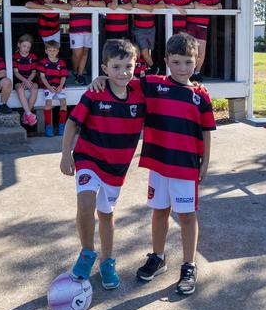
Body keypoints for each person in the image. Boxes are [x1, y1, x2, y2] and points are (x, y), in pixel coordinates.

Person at [90, 33, 216, 295]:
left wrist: (205, 162)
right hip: (159, 166)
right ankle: (158, 257)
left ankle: (189, 265)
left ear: (196, 61)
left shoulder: (201, 96)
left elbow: (206, 131)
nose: (182, 68)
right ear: (167, 60)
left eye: (188, 62)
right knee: (159, 212)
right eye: (177, 62)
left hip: (185, 167)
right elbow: (121, 80)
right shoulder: (152, 85)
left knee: (187, 216)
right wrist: (101, 78)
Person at [60, 39, 145, 289]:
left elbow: (167, 86)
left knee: (106, 215)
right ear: (105, 68)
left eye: (128, 66)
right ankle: (87, 253)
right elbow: (72, 124)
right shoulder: (95, 92)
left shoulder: (140, 94)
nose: (123, 72)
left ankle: (107, 262)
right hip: (88, 158)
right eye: (116, 67)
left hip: (116, 168)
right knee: (85, 203)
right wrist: (66, 155)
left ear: (136, 66)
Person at [68, 0, 105, 85]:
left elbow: (103, 4)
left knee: (85, 52)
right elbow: (72, 3)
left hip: (90, 29)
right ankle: (74, 71)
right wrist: (91, 4)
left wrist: (87, 2)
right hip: (76, 29)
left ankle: (79, 75)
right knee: (77, 54)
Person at [187, 0, 222, 82]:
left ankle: (196, 73)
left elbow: (220, 5)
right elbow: (196, 6)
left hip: (203, 27)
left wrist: (205, 6)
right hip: (192, 26)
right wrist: (211, 7)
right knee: (191, 51)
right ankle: (189, 73)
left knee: (202, 52)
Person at [131, 0, 164, 74]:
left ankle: (145, 70)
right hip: (139, 29)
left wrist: (152, 6)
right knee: (144, 52)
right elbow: (133, 3)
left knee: (148, 51)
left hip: (151, 28)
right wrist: (147, 7)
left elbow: (163, 4)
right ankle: (155, 68)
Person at [38, 40, 68, 137]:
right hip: (48, 86)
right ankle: (48, 126)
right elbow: (42, 77)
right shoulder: (43, 62)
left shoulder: (61, 63)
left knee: (63, 103)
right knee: (48, 103)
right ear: (46, 51)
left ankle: (62, 126)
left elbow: (63, 76)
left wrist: (60, 86)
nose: (52, 52)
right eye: (49, 50)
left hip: (59, 86)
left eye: (54, 50)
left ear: (58, 51)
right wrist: (49, 87)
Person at [12, 34, 39, 126]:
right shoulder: (15, 56)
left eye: (28, 47)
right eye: (24, 46)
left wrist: (28, 80)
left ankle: (26, 114)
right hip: (19, 79)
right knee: (19, 89)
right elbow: (16, 72)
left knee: (34, 89)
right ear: (19, 45)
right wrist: (24, 81)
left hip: (31, 79)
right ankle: (28, 114)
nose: (26, 49)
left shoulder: (33, 57)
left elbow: (34, 72)